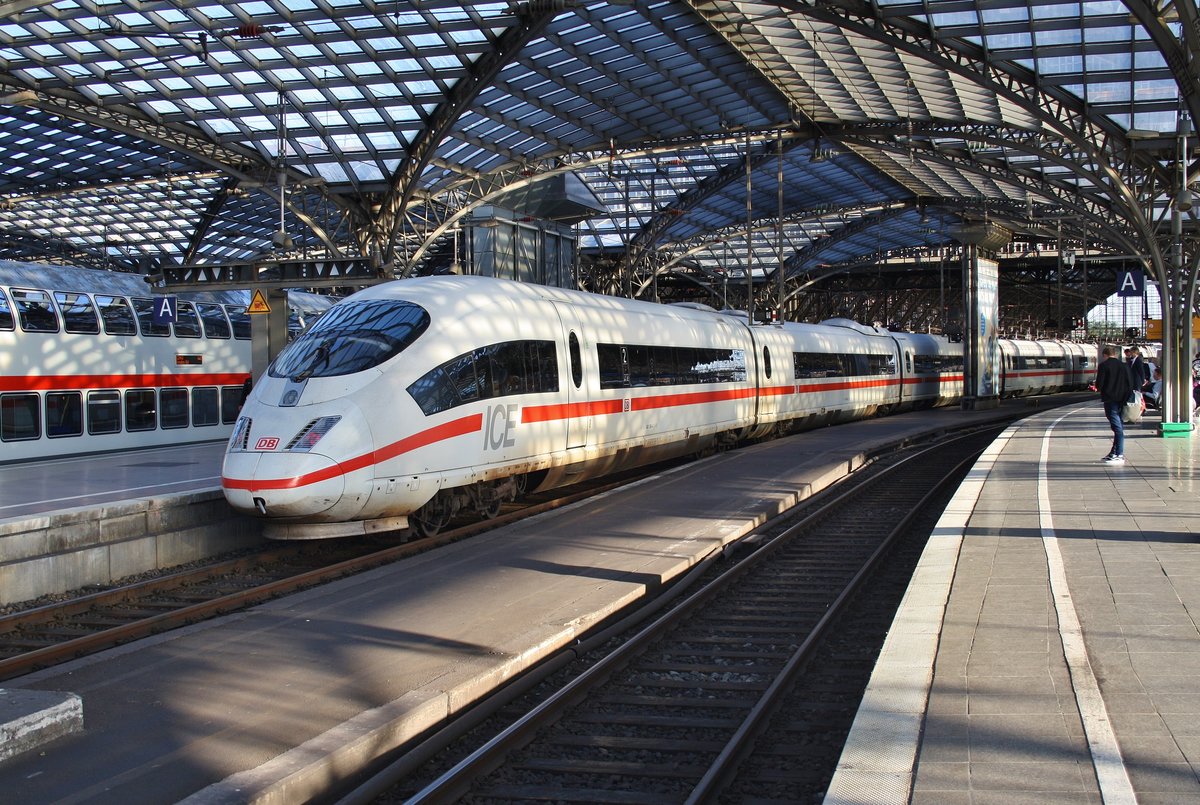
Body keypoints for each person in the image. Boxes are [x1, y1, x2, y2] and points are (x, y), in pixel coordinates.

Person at [1095, 344, 1133, 464]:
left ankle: (1120, 454)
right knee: (1118, 425)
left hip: (1109, 399)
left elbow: (1099, 384)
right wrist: (1126, 397)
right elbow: (1130, 383)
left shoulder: (1103, 366)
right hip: (1122, 400)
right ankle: (1113, 453)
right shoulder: (1124, 366)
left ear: (1105, 355)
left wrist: (1097, 387)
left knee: (1117, 427)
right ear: (1115, 354)